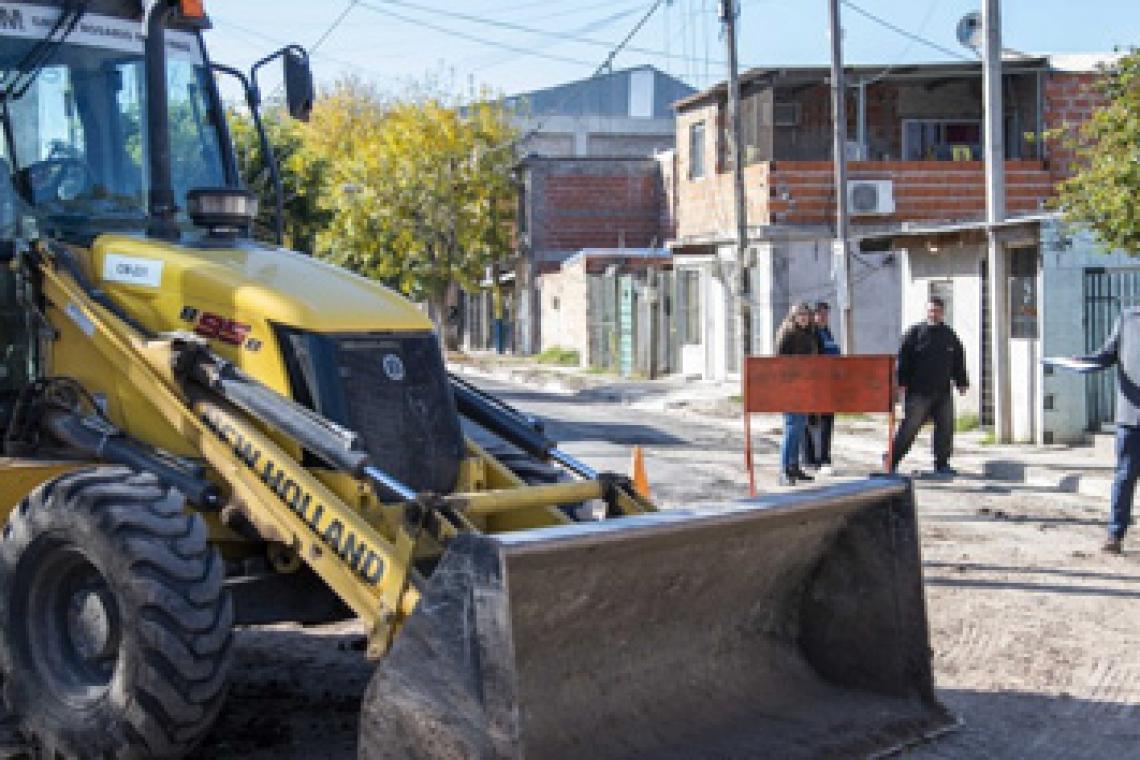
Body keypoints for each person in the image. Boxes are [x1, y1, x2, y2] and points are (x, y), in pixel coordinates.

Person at [1075, 308, 1140, 554]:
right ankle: (1115, 534)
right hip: (1131, 417)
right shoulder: (1128, 319)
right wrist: (1084, 361)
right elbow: (1107, 355)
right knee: (1124, 477)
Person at [889, 297, 969, 476]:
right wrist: (901, 383)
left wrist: (961, 382)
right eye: (931, 310)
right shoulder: (914, 333)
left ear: (943, 312)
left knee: (945, 428)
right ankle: (891, 460)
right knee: (909, 428)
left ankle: (942, 464)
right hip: (918, 392)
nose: (934, 314)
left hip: (942, 392)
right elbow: (903, 359)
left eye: (937, 311)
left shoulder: (949, 335)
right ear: (926, 311)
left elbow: (958, 360)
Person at [775, 301, 818, 486]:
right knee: (791, 427)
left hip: (804, 386)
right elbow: (779, 360)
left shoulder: (810, 334)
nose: (804, 317)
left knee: (800, 426)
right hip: (789, 386)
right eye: (800, 314)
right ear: (793, 316)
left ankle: (794, 466)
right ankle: (784, 469)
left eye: (806, 314)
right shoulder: (787, 332)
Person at [803, 301, 840, 475]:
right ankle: (810, 459)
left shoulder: (827, 332)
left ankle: (824, 458)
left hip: (829, 384)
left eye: (825, 314)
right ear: (814, 315)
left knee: (826, 420)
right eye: (819, 314)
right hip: (813, 384)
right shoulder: (811, 333)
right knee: (809, 421)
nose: (823, 317)